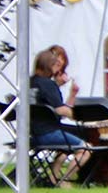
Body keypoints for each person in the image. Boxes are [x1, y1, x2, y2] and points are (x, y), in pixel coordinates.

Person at [29, 46, 84, 182]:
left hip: (33, 133)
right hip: (48, 132)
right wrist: (83, 116)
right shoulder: (48, 84)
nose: (58, 69)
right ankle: (64, 180)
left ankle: (53, 177)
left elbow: (48, 106)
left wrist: (58, 87)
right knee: (85, 148)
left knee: (68, 142)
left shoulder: (30, 82)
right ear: (49, 66)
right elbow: (61, 110)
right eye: (56, 65)